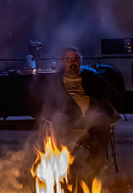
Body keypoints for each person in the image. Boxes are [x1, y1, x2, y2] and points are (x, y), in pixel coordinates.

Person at [41, 46, 124, 176]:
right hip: (69, 118)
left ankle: (94, 167)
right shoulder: (55, 81)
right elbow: (46, 103)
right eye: (68, 59)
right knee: (58, 119)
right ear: (62, 62)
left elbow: (114, 94)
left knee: (101, 120)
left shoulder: (91, 77)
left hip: (91, 117)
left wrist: (104, 107)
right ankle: (65, 166)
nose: (72, 63)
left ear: (80, 61)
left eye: (76, 59)